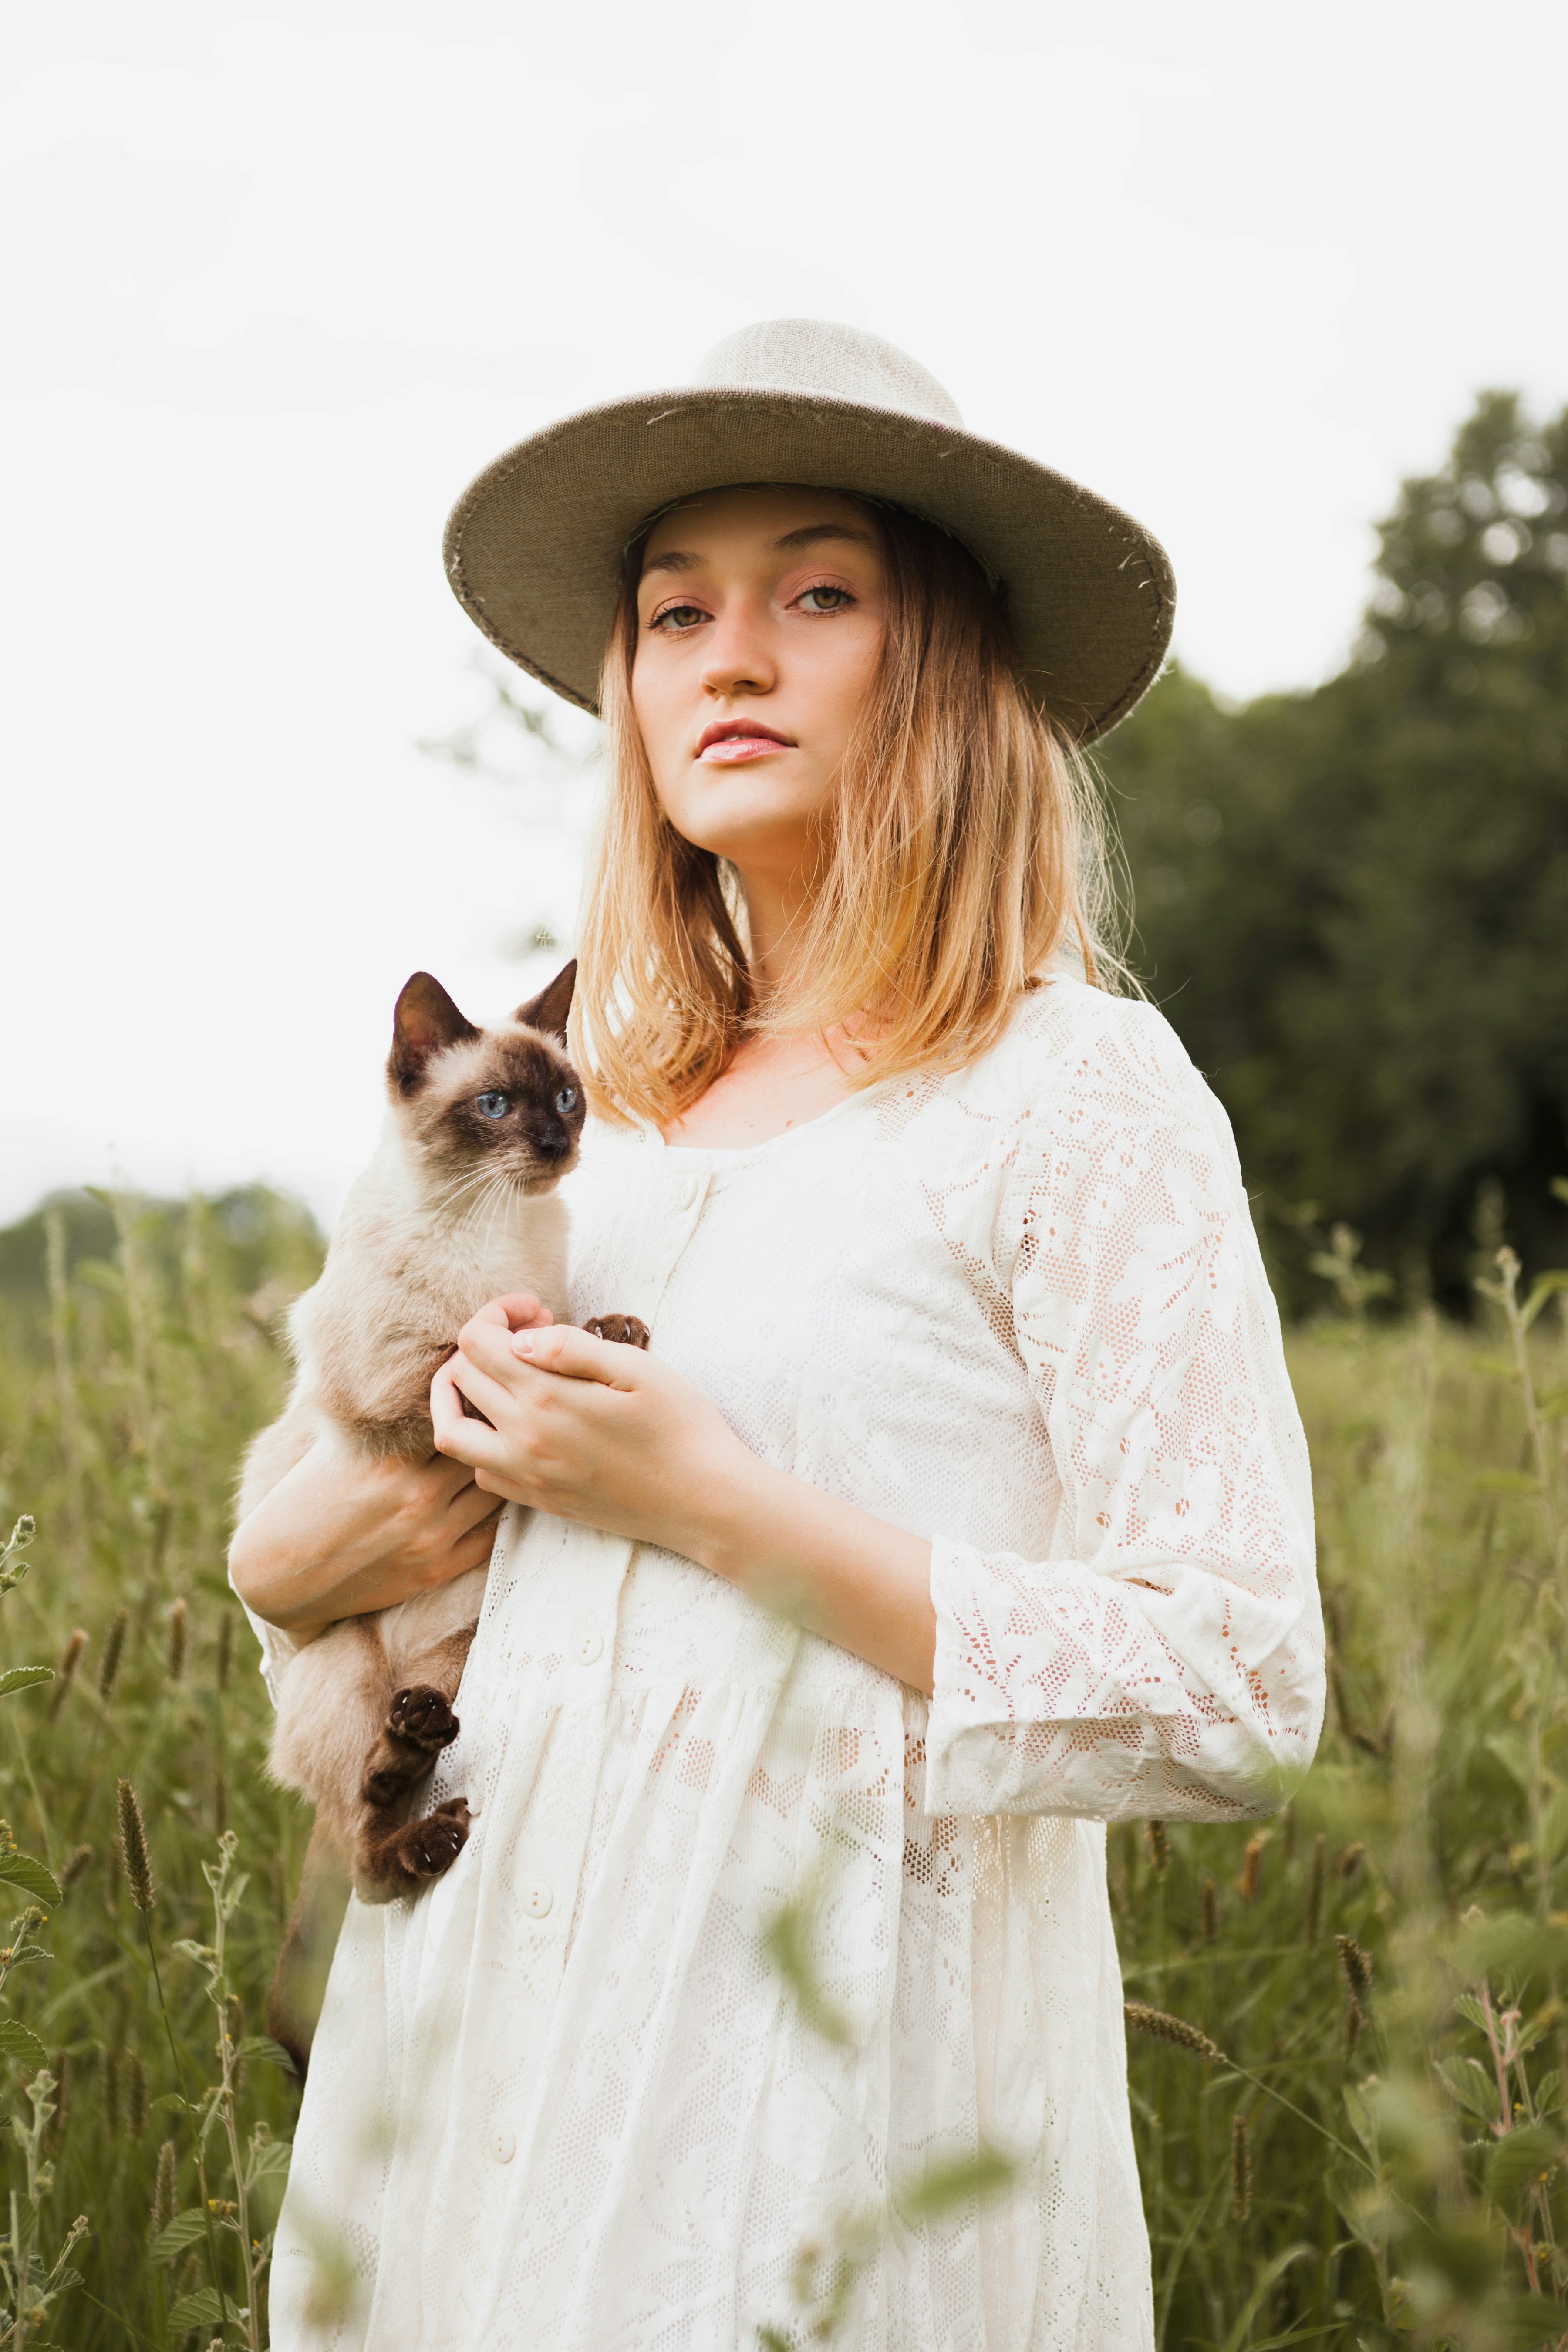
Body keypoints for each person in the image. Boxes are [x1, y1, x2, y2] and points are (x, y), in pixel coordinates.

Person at [231, 319, 1323, 2352]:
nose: (728, 658)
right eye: (676, 613)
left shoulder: (1074, 1094)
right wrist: (283, 1562)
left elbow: (1237, 1682)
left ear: (945, 665)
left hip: (817, 2122)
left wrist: (718, 1505)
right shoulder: (584, 1128)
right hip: (470, 2073)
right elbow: (382, 1525)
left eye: (817, 595)